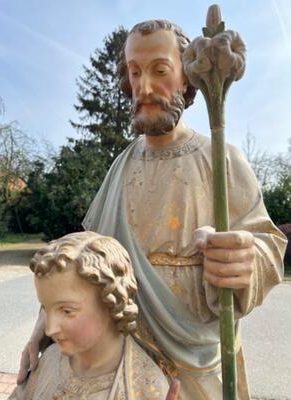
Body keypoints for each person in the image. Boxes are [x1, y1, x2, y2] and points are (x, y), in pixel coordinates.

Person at [18, 20, 287, 399]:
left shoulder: (220, 158)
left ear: (186, 79)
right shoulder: (121, 166)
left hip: (196, 361)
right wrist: (41, 329)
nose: (143, 87)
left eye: (160, 71)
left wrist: (246, 258)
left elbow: (267, 246)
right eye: (134, 72)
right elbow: (79, 266)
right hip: (125, 362)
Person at [10, 231, 170, 399]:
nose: (49, 330)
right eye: (45, 308)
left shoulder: (144, 388)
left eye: (67, 311)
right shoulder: (50, 360)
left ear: (111, 303)